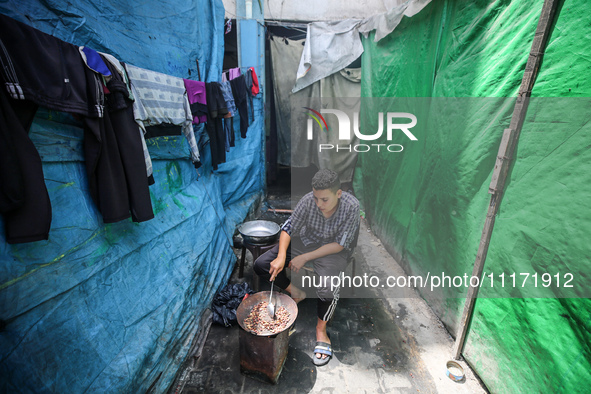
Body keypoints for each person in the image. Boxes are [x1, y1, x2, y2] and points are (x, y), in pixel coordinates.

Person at [254, 169, 360, 366]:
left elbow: (340, 244)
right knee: (261, 265)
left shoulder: (351, 206)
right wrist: (281, 256)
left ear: (338, 194)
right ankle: (296, 292)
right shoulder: (308, 200)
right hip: (308, 241)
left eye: (324, 200)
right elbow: (288, 228)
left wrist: (304, 258)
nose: (319, 204)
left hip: (334, 250)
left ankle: (321, 330)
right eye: (316, 198)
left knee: (327, 290)